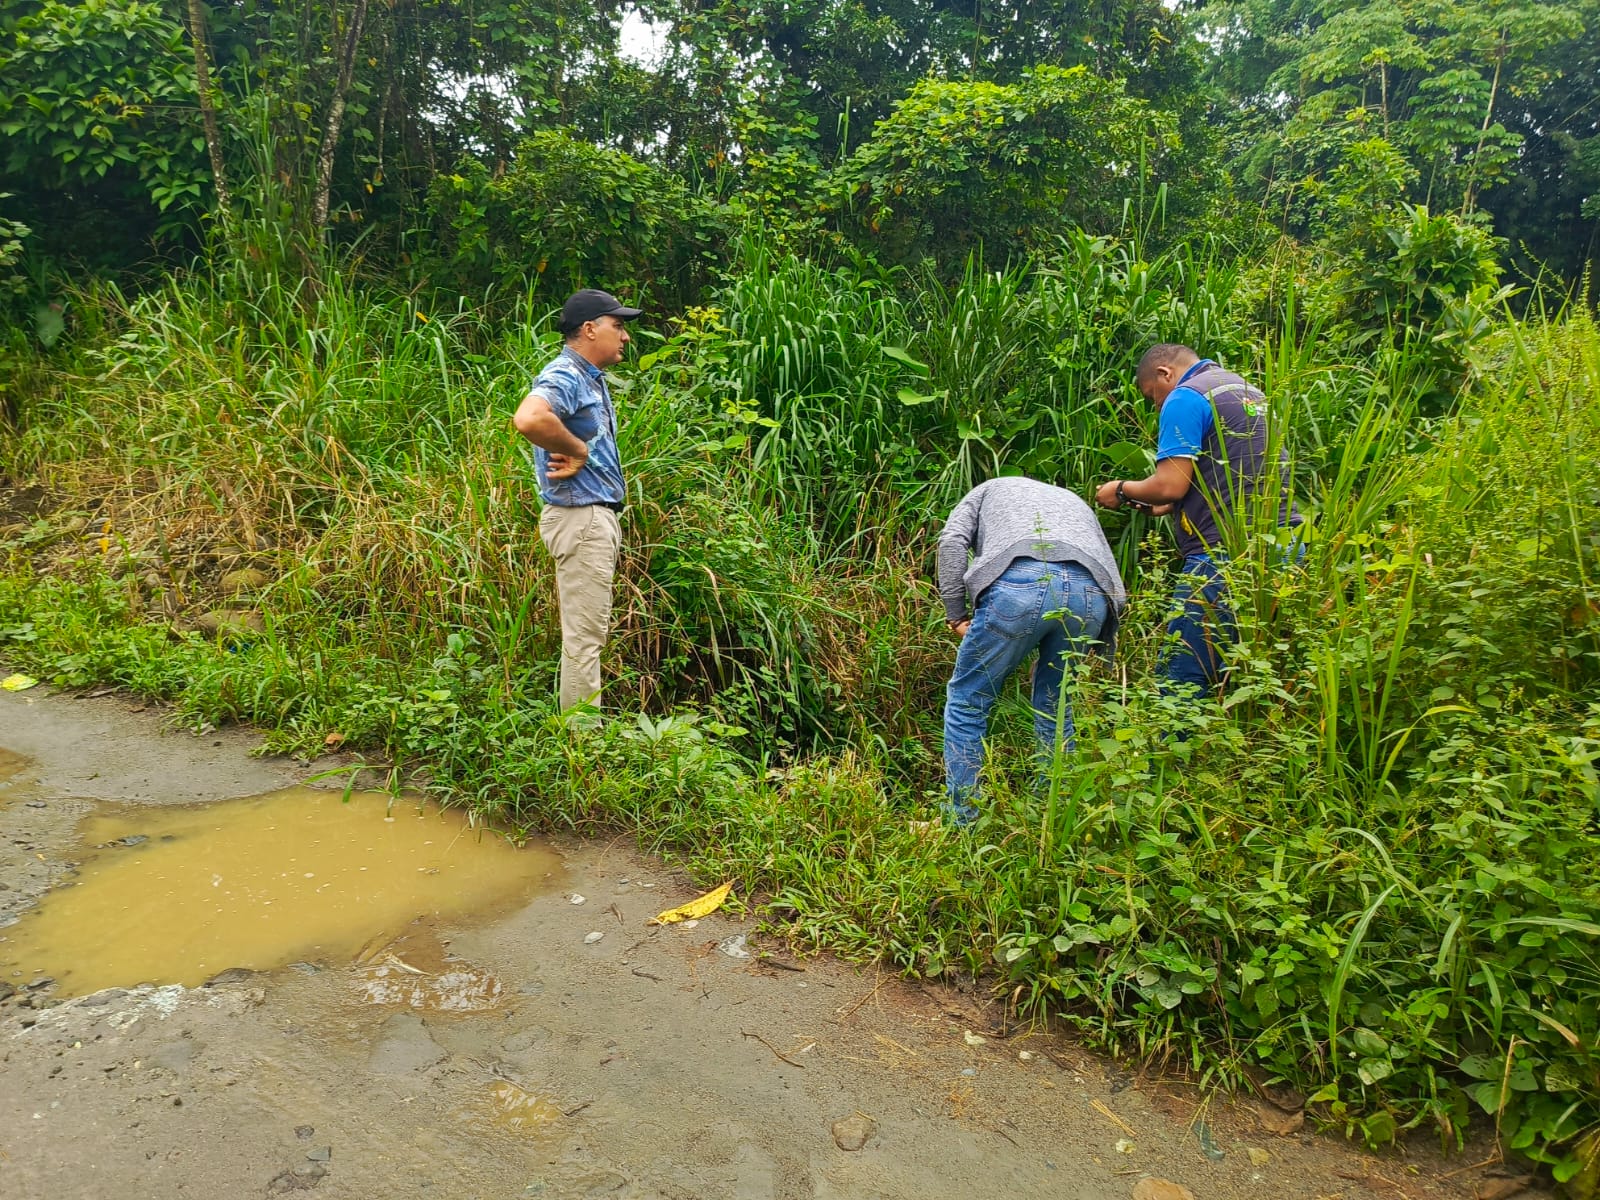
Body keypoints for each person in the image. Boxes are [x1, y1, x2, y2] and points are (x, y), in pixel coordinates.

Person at [1094, 344, 1301, 698]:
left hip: (1226, 555)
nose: (1157, 406)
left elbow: (1169, 484)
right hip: (1287, 546)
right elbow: (1240, 470)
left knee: (1181, 679)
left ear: (1165, 373)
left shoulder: (1186, 396)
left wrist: (1122, 490)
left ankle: (1171, 736)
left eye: (1152, 396)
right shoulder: (1247, 390)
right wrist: (1175, 505)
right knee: (1250, 678)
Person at [938, 476, 1127, 826]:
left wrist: (955, 614)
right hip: (1091, 593)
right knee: (1057, 706)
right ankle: (1051, 816)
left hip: (1019, 582)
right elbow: (1106, 564)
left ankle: (962, 821)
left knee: (968, 700)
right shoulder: (1072, 499)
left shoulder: (987, 489)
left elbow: (952, 541)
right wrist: (1105, 635)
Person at [511, 288, 641, 714]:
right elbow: (529, 418)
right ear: (589, 329)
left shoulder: (588, 379)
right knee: (584, 639)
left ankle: (582, 734)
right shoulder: (566, 374)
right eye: (617, 326)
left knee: (587, 636)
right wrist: (577, 449)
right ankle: (582, 742)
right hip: (581, 519)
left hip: (589, 518)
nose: (625, 336)